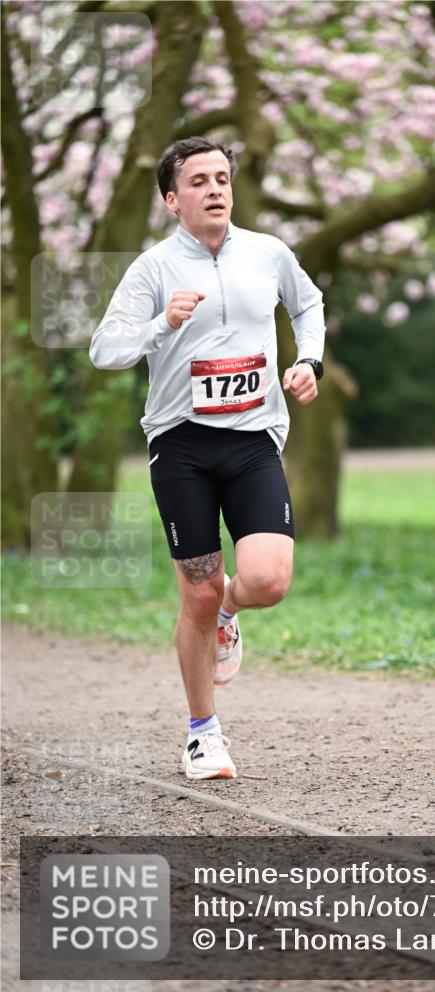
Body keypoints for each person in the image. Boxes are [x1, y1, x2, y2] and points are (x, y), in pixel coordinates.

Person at [90, 136, 325, 781]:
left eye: (222, 178)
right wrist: (161, 324)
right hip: (182, 443)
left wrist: (308, 360)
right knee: (195, 593)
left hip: (252, 438)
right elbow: (104, 349)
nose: (215, 189)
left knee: (269, 581)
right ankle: (203, 733)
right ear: (172, 199)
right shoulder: (153, 269)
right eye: (198, 181)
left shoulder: (268, 253)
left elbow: (308, 304)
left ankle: (231, 612)